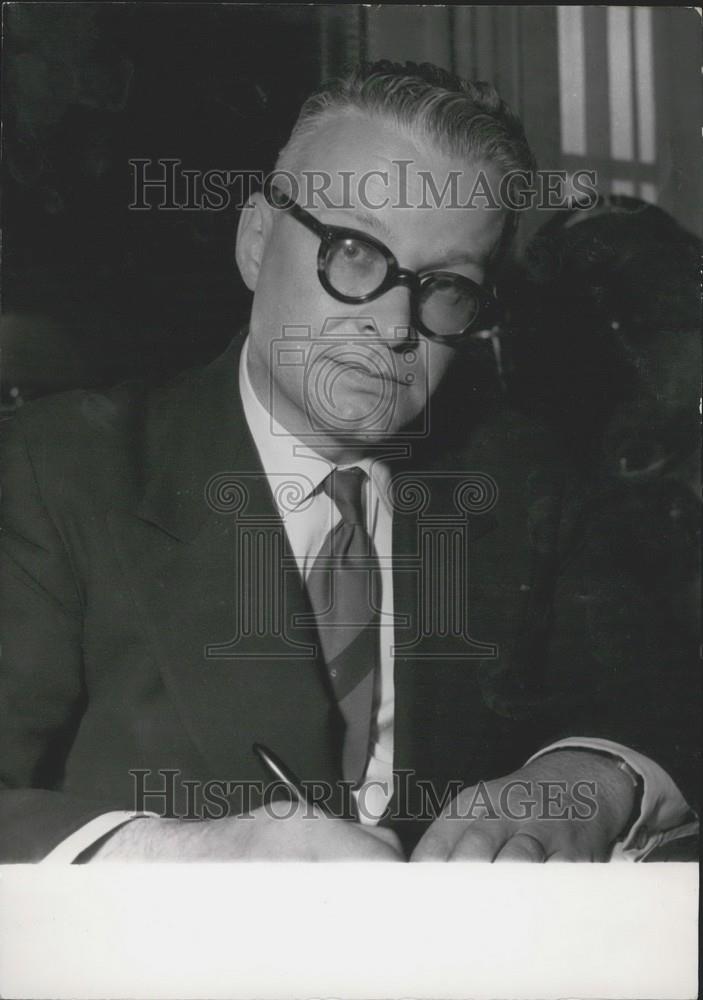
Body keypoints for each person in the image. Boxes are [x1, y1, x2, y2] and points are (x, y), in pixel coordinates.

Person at [0, 61, 696, 862]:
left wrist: (587, 780)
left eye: (443, 286)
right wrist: (183, 855)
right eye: (356, 254)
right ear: (256, 241)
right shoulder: (53, 470)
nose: (396, 325)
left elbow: (663, 703)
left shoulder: (522, 478)